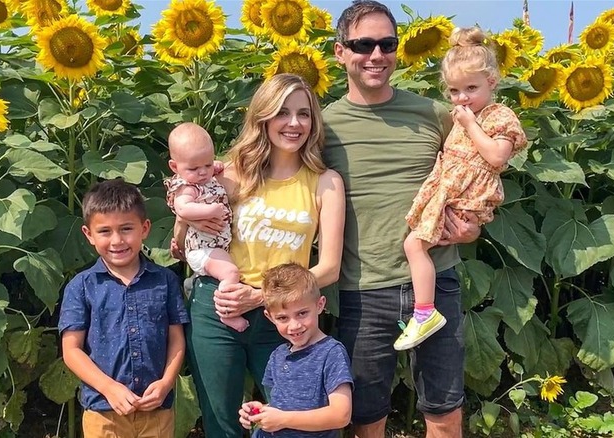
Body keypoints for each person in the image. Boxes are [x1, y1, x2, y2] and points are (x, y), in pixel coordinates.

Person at [322, 1, 481, 437]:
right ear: (340, 52)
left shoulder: (434, 113)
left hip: (437, 281)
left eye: (387, 44)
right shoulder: (323, 126)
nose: (376, 55)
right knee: (365, 418)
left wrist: (474, 226)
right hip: (363, 287)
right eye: (363, 44)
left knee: (445, 413)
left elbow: (476, 170)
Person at [176, 73, 346, 438]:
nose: (294, 123)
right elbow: (184, 228)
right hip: (219, 307)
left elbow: (330, 267)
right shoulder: (228, 174)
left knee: (290, 418)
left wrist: (261, 297)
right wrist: (183, 224)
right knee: (221, 421)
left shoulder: (325, 181)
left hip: (284, 315)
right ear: (263, 117)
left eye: (304, 113)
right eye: (283, 112)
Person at [397, 26, 528, 351]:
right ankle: (423, 311)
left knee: (414, 245)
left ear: (492, 83)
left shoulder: (498, 114)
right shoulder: (462, 117)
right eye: (454, 91)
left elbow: (498, 157)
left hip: (468, 193)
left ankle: (424, 312)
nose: (463, 98)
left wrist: (469, 124)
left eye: (471, 88)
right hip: (454, 190)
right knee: (417, 244)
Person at [59, 179, 189, 437]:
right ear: (88, 235)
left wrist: (166, 382)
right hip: (104, 412)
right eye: (105, 231)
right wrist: (109, 388)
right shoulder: (81, 286)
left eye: (126, 228)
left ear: (145, 228)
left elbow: (176, 341)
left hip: (157, 410)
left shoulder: (165, 281)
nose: (117, 240)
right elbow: (71, 350)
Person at [238, 263, 353, 437]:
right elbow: (281, 407)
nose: (294, 325)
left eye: (302, 313)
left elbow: (341, 415)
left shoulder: (331, 353)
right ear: (270, 317)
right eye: (283, 318)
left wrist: (282, 419)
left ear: (320, 305)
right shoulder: (278, 356)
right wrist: (261, 412)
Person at [164, 122, 247, 332]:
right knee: (230, 273)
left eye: (208, 165)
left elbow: (211, 166)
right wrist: (212, 211)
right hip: (202, 249)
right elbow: (183, 210)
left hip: (213, 245)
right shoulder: (185, 187)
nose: (203, 172)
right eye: (194, 168)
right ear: (175, 167)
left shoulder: (204, 175)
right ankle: (226, 312)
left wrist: (216, 166)